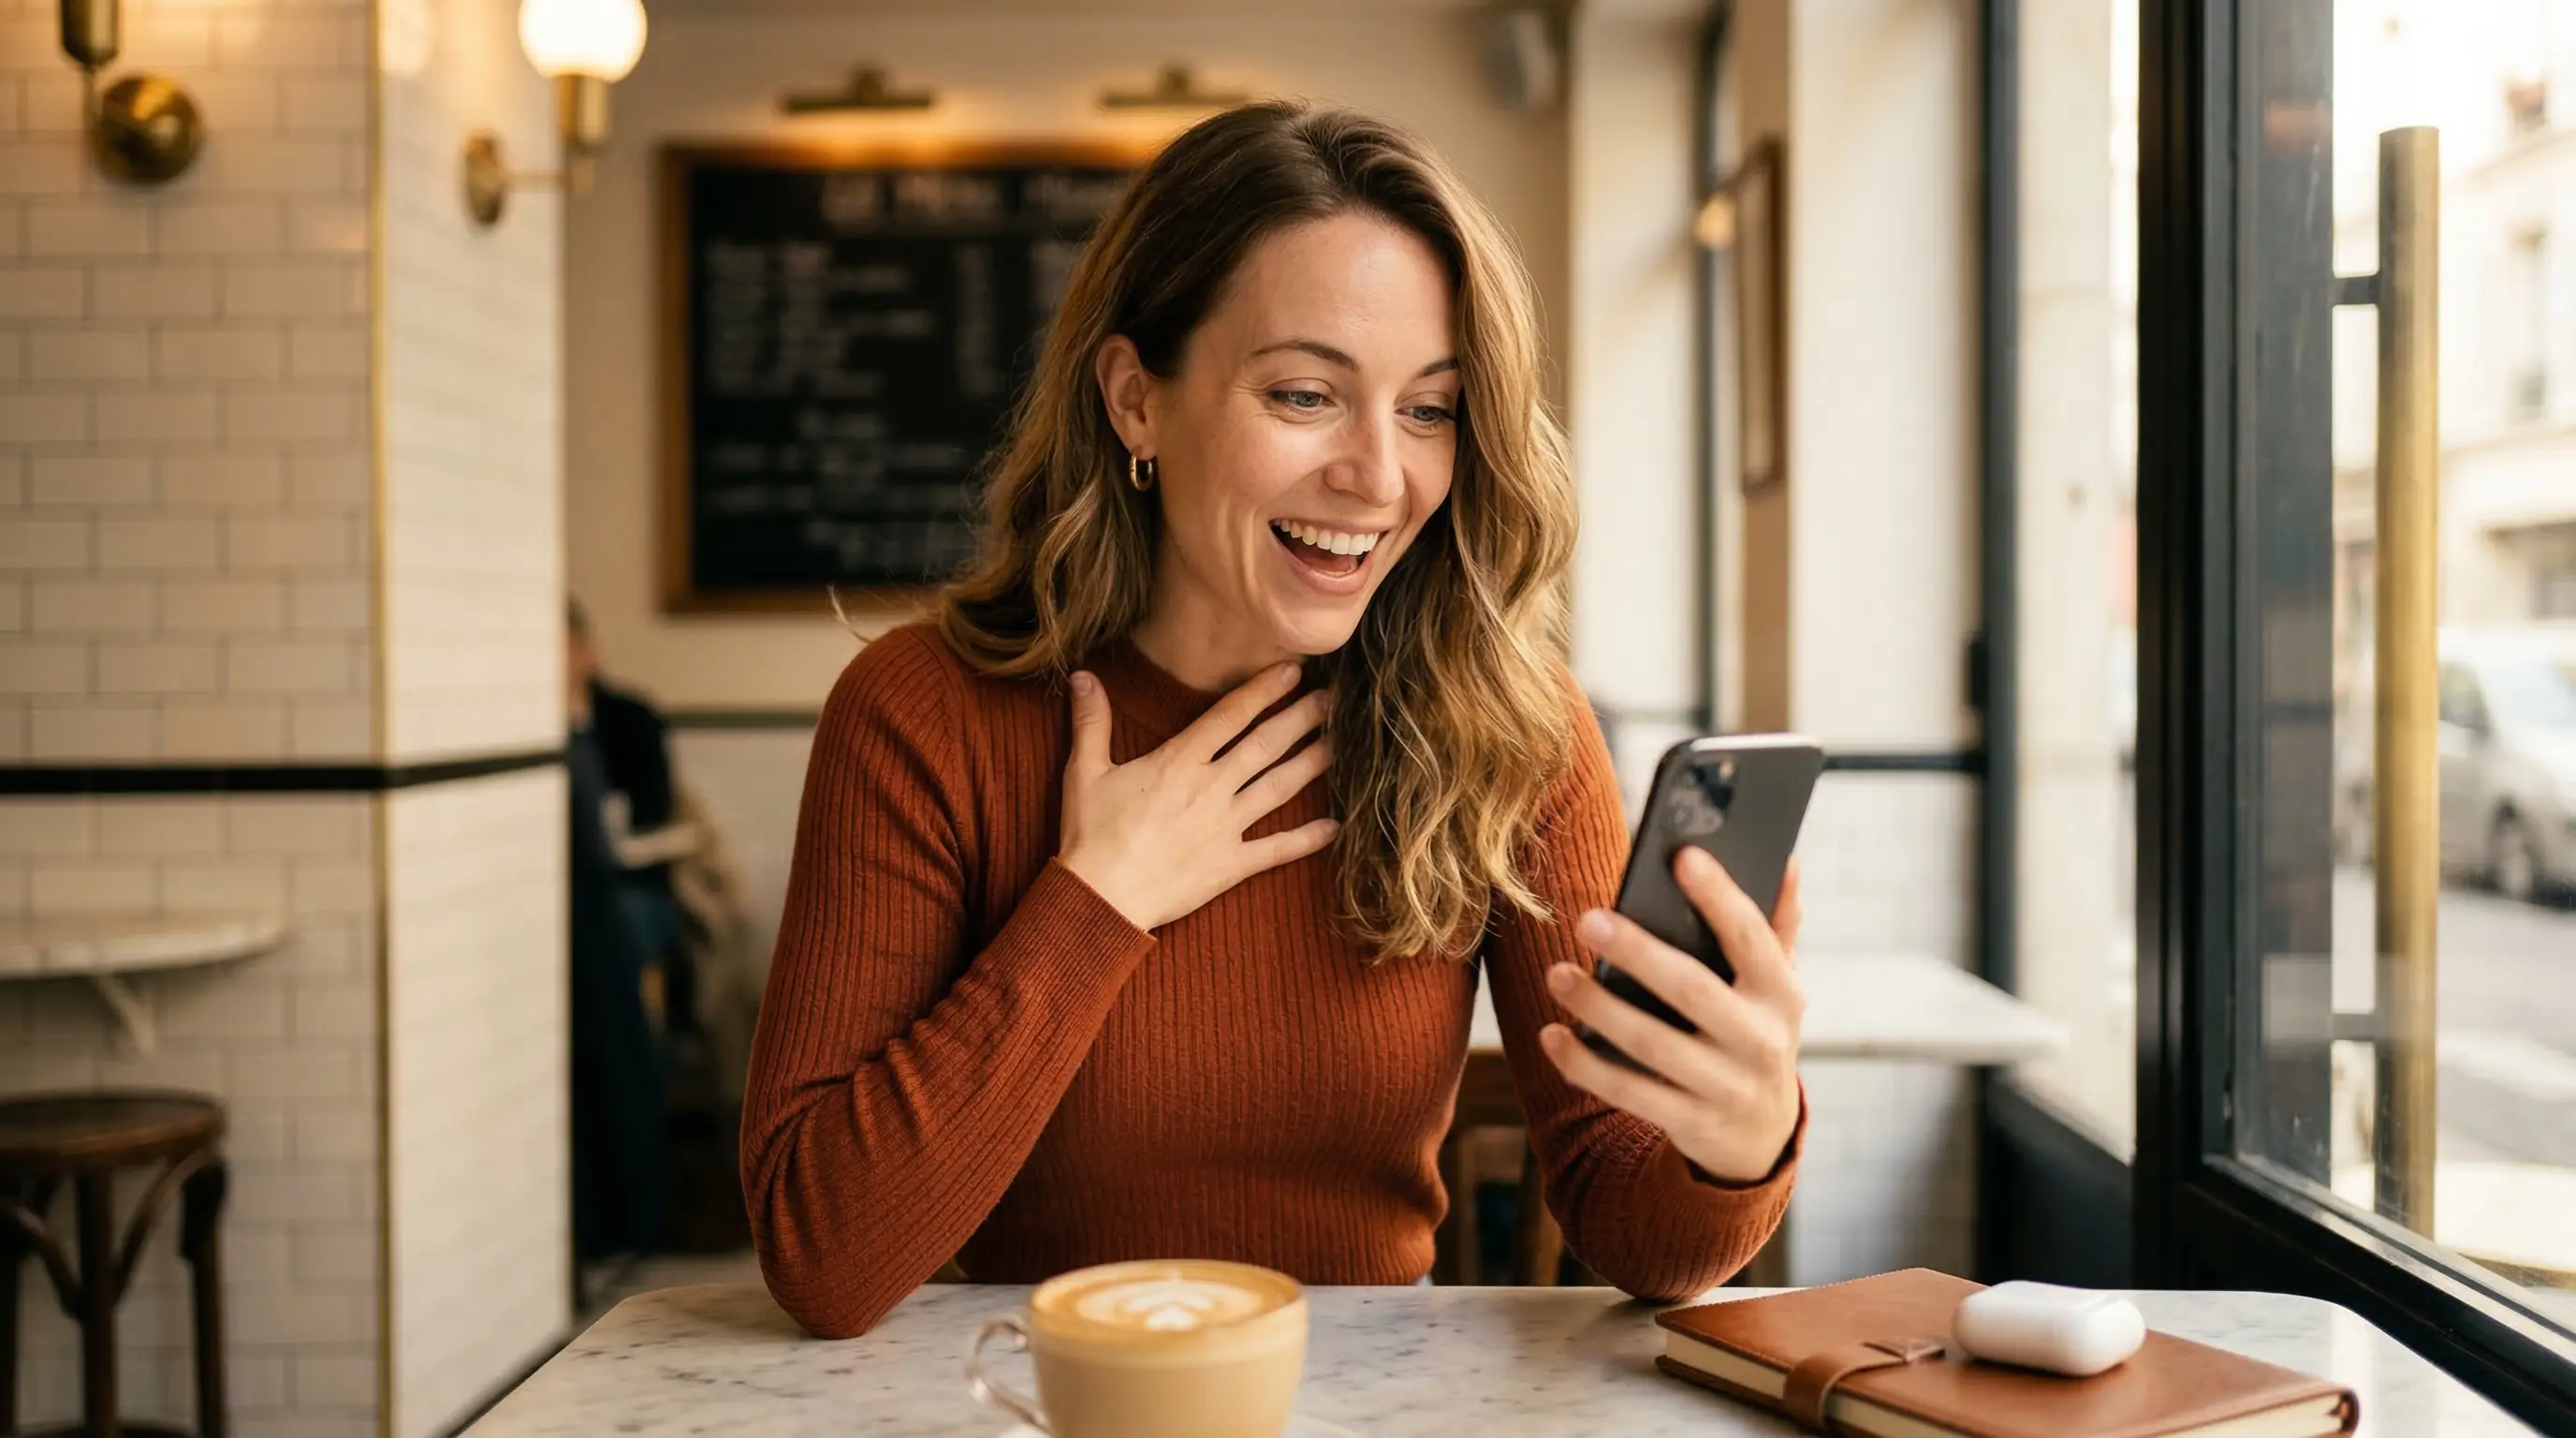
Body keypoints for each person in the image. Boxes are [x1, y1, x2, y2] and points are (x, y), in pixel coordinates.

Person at [740, 102, 1809, 1341]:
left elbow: (1639, 1239)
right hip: (1039, 1398)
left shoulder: (1509, 728)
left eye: (1430, 409)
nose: (1379, 475)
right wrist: (1100, 900)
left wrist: (1738, 1140)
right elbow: (823, 1258)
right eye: (1305, 394)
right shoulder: (924, 716)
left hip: (1372, 1413)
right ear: (1136, 401)